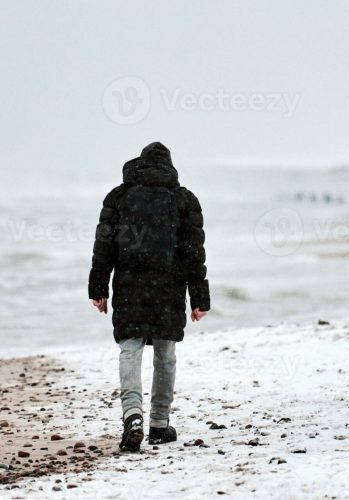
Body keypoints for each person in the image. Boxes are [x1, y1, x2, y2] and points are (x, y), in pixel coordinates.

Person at [88, 142, 210, 452]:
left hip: (129, 284)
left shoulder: (119, 196)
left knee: (130, 350)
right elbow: (193, 252)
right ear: (169, 167)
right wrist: (199, 297)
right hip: (168, 286)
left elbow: (104, 246)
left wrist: (99, 287)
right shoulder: (184, 199)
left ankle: (133, 417)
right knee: (165, 355)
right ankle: (159, 423)